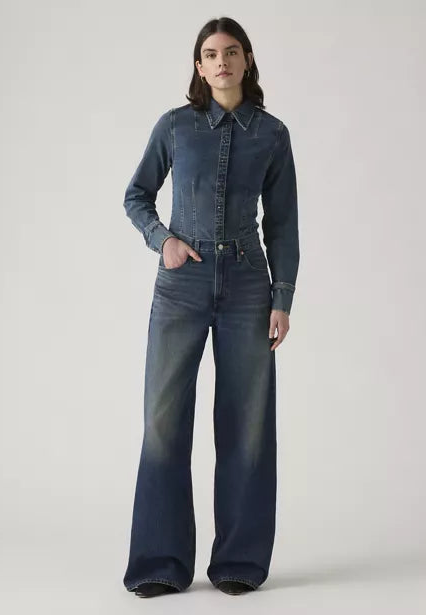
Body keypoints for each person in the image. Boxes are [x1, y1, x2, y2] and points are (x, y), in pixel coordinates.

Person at [122, 16, 299, 598]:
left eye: (231, 52)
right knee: (163, 421)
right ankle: (159, 562)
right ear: (199, 66)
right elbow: (137, 195)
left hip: (248, 287)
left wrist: (282, 298)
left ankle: (239, 561)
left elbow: (283, 224)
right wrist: (163, 240)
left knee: (247, 423)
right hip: (182, 285)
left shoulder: (271, 134)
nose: (222, 62)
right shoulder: (175, 127)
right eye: (211, 54)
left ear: (246, 60)